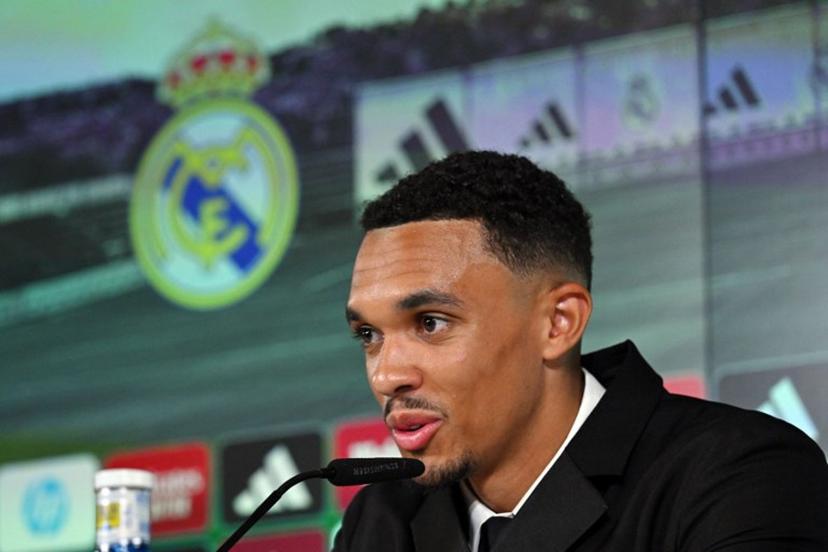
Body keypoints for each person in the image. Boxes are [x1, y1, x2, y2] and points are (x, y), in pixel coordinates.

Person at [335, 151, 828, 552]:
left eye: (430, 323)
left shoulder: (740, 473)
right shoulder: (381, 521)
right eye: (369, 335)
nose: (385, 376)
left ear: (558, 322)